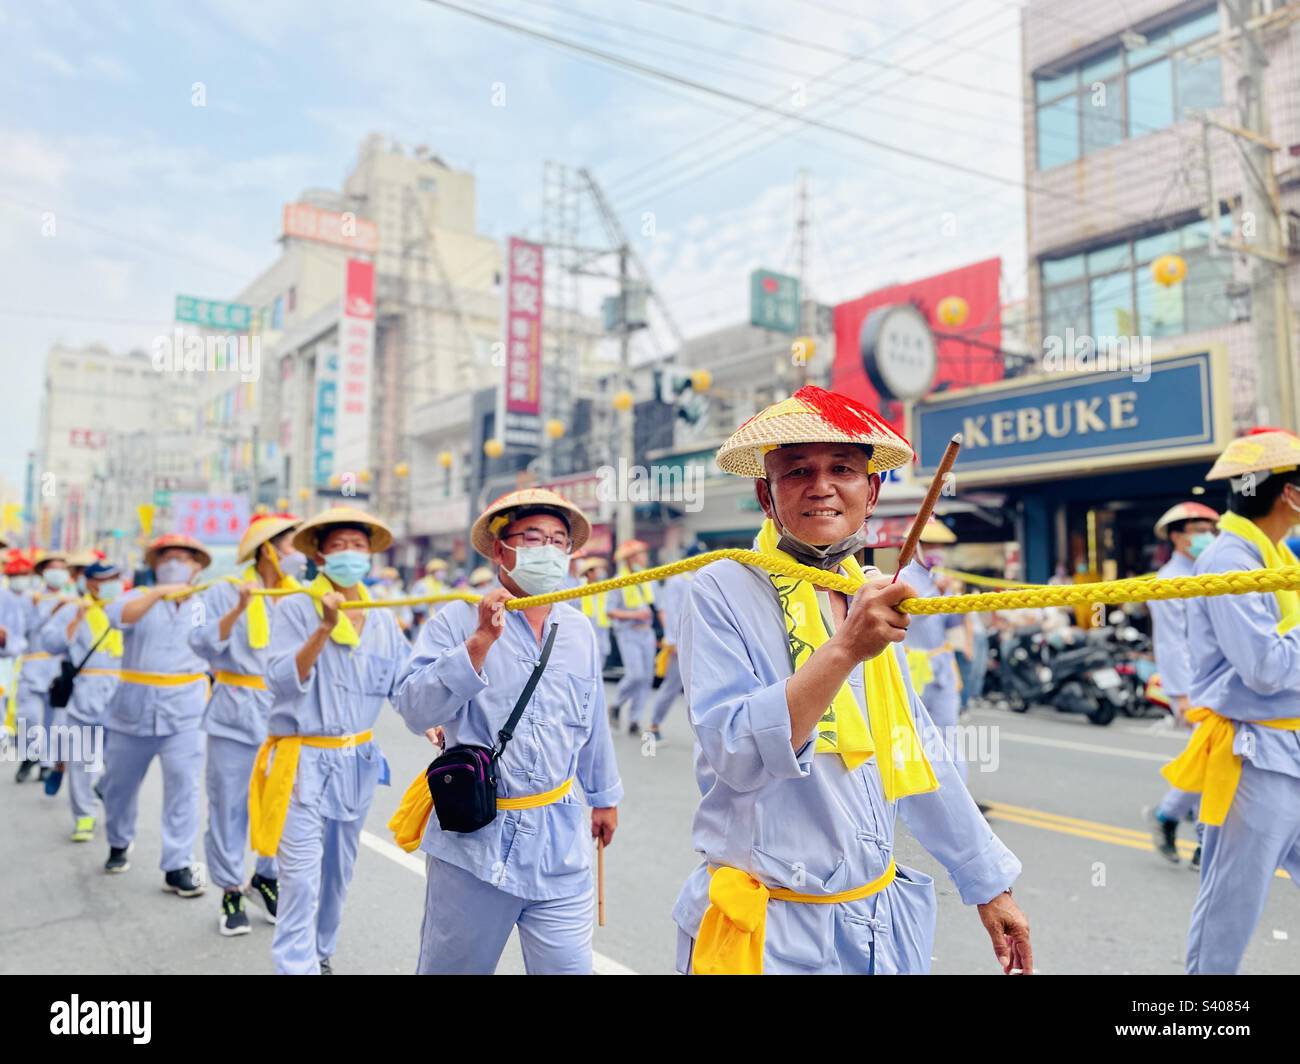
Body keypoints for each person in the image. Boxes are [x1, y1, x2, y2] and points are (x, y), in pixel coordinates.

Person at [673, 385, 1030, 975]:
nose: (821, 486)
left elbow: (913, 752)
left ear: (873, 490)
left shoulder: (866, 592)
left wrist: (989, 884)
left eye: (842, 468)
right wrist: (843, 650)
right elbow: (734, 751)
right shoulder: (719, 588)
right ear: (766, 493)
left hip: (875, 924)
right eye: (797, 472)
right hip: (771, 932)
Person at [392, 488, 622, 975]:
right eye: (533, 538)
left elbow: (593, 717)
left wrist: (603, 796)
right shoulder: (456, 619)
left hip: (561, 840)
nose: (548, 550)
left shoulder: (579, 630)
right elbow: (414, 708)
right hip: (475, 841)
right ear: (502, 549)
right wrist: (477, 644)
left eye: (559, 541)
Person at [1164, 429, 1300, 974]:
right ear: (1290, 494)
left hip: (1288, 741)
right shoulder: (1229, 561)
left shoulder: (1275, 555)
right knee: (1231, 909)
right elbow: (1265, 668)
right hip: (1255, 752)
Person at [255, 507, 407, 975]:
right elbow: (280, 680)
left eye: (357, 547)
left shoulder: (381, 618)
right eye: (338, 546)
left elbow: (402, 683)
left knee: (338, 871)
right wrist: (323, 627)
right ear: (319, 555)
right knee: (299, 878)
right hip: (302, 760)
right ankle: (294, 966)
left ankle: (321, 952)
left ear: (371, 555)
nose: (348, 555)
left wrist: (433, 724)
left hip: (356, 762)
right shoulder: (296, 607)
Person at [189, 513, 305, 937]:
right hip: (234, 712)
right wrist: (239, 608)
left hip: (285, 714)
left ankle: (265, 877)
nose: (298, 554)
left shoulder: (302, 596)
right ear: (267, 548)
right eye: (291, 544)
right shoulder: (222, 591)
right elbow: (198, 642)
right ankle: (230, 888)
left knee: (280, 804)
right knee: (228, 804)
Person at [99, 534, 212, 895]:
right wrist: (158, 593)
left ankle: (177, 864)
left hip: (186, 711)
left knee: (184, 785)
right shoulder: (135, 597)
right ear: (155, 565)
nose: (175, 563)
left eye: (184, 558)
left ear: (197, 566)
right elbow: (118, 618)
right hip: (132, 710)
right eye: (168, 558)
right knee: (119, 786)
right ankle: (118, 840)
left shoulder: (206, 603)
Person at [1145, 502, 1219, 868]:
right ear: (1177, 535)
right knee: (1214, 760)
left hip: (1220, 683)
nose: (1207, 534)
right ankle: (1206, 843)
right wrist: (1182, 696)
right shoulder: (1168, 581)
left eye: (1211, 527)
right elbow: (1171, 643)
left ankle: (1168, 816)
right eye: (1198, 528)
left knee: (1210, 759)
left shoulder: (1215, 570)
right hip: (1192, 687)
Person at [43, 561, 124, 842]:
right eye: (105, 579)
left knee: (119, 759)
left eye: (116, 577)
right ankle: (84, 816)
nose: (112, 583)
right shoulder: (72, 608)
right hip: (84, 690)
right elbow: (50, 642)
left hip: (121, 690)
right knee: (80, 759)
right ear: (90, 583)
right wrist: (76, 620)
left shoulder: (127, 608)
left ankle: (102, 786)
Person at [901, 520, 967, 782]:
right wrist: (932, 594)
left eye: (939, 545)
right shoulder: (903, 580)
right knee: (913, 734)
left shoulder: (943, 579)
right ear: (915, 545)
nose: (935, 550)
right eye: (929, 544)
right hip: (912, 667)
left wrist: (957, 603)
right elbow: (905, 619)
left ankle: (958, 792)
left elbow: (950, 625)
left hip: (941, 664)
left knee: (948, 732)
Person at [15, 552, 75, 785]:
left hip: (57, 667)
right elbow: (24, 628)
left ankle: (46, 765)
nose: (57, 572)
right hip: (33, 663)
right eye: (53, 567)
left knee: (54, 721)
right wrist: (50, 611)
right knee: (29, 716)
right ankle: (30, 754)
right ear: (43, 572)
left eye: (62, 567)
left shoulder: (73, 599)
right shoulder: (31, 599)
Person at [646, 547, 704, 747]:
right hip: (680, 643)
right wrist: (673, 641)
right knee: (671, 686)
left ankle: (705, 735)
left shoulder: (697, 576)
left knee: (700, 689)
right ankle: (652, 728)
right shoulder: (677, 580)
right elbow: (669, 611)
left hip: (697, 642)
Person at [607, 539, 657, 737]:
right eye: (639, 554)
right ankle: (616, 704)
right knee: (635, 675)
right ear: (630, 559)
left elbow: (657, 606)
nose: (643, 558)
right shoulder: (618, 581)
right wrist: (634, 615)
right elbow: (610, 611)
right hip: (628, 633)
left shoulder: (647, 579)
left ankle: (635, 719)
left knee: (646, 679)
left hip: (647, 633)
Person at [576, 556, 611, 668]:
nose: (602, 572)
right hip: (585, 629)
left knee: (601, 662)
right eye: (598, 569)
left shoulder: (604, 589)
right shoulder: (579, 589)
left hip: (601, 630)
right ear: (589, 573)